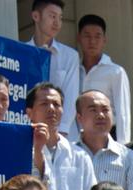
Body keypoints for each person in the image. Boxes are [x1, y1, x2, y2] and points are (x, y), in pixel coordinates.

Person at [27, 82, 96, 190]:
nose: (51, 109)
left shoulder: (80, 157)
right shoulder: (21, 153)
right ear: (29, 113)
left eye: (56, 104)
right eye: (44, 104)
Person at [24, 0, 80, 138]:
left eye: (60, 18)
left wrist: (62, 131)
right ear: (36, 16)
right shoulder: (21, 52)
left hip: (62, 134)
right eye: (52, 16)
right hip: (30, 130)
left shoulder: (70, 56)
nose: (57, 23)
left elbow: (71, 96)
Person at [77, 14, 131, 143]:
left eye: (97, 36)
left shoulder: (115, 72)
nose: (92, 41)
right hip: (78, 139)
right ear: (79, 38)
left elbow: (123, 113)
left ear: (104, 39)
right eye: (87, 36)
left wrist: (123, 147)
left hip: (108, 137)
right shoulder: (74, 70)